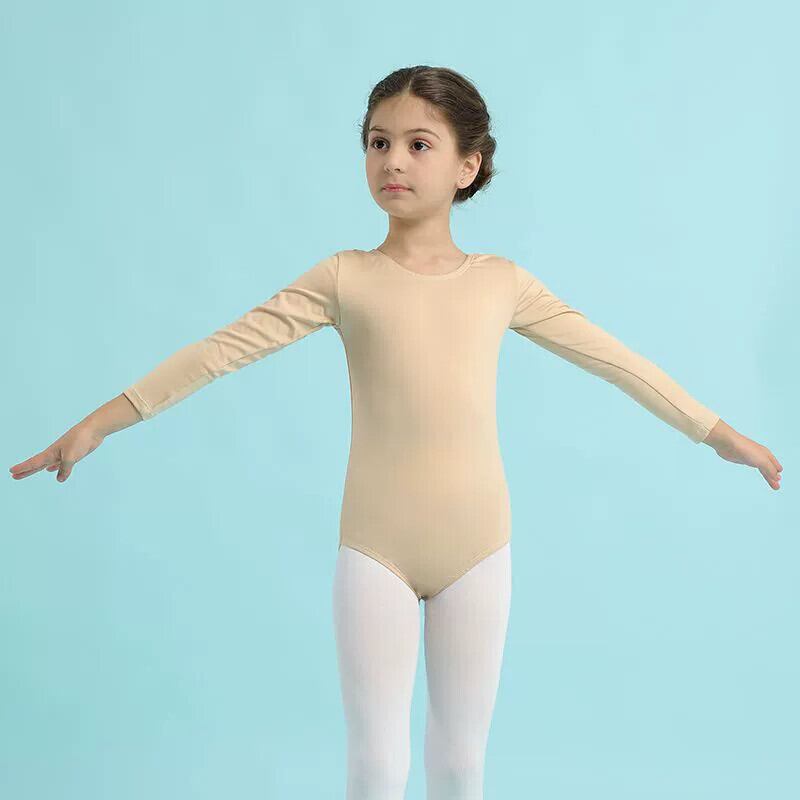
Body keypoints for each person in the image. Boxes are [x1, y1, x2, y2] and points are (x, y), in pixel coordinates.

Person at [9, 66, 783, 799]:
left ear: (468, 167)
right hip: (374, 548)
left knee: (459, 763)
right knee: (377, 764)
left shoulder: (501, 283)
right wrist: (97, 424)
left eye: (418, 143)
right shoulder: (344, 277)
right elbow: (219, 352)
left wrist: (717, 434)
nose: (393, 160)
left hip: (479, 547)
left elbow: (617, 362)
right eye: (378, 142)